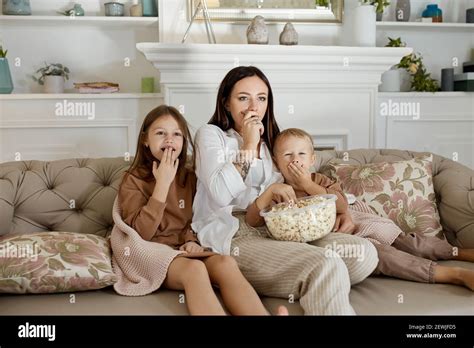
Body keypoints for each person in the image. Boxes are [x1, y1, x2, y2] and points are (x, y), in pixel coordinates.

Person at [192, 66, 379, 315]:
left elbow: (302, 187)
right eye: (243, 98)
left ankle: (308, 279)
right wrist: (249, 143)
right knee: (326, 264)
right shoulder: (211, 135)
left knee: (363, 253)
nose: (253, 107)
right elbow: (220, 194)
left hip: (276, 227)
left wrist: (341, 210)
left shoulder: (274, 142)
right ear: (226, 103)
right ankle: (315, 276)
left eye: (261, 98)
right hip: (234, 234)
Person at [117, 104, 285, 315]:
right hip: (150, 251)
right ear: (145, 139)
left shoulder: (189, 177)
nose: (169, 139)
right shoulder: (133, 180)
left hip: (181, 251)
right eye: (160, 133)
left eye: (176, 134)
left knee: (225, 263)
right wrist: (162, 185)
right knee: (194, 270)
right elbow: (140, 233)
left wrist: (191, 239)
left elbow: (197, 217)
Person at [264, 127, 474, 290]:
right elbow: (267, 220)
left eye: (301, 154)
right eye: (288, 155)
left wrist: (307, 185)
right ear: (276, 163)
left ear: (312, 159)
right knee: (387, 257)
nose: (295, 160)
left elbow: (341, 204)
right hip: (344, 241)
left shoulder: (319, 180)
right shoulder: (278, 191)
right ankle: (452, 274)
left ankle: (460, 253)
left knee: (414, 244)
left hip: (360, 223)